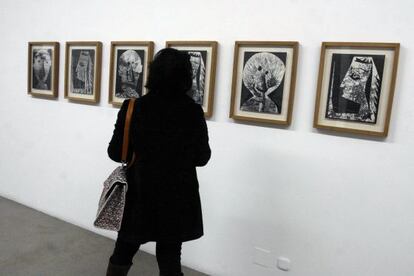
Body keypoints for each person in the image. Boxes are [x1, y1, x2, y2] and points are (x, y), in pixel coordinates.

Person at [106, 48, 211, 276]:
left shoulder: (133, 107)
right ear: (186, 76)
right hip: (177, 199)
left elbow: (115, 153)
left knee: (124, 250)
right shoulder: (192, 112)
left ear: (153, 74)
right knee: (170, 257)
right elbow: (202, 158)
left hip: (139, 196)